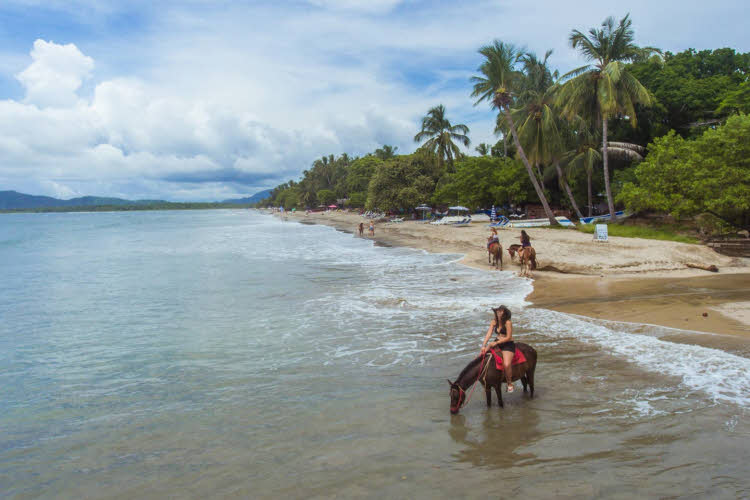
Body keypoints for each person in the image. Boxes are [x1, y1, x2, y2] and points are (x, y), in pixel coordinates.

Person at [480, 305, 516, 392]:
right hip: (497, 342)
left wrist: (496, 342)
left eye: (501, 311)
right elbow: (489, 334)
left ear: (505, 312)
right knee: (481, 356)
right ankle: (483, 379)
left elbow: (508, 337)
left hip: (507, 344)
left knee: (507, 364)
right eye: (498, 311)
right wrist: (484, 345)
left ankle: (510, 383)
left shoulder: (508, 322)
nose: (499, 312)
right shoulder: (494, 322)